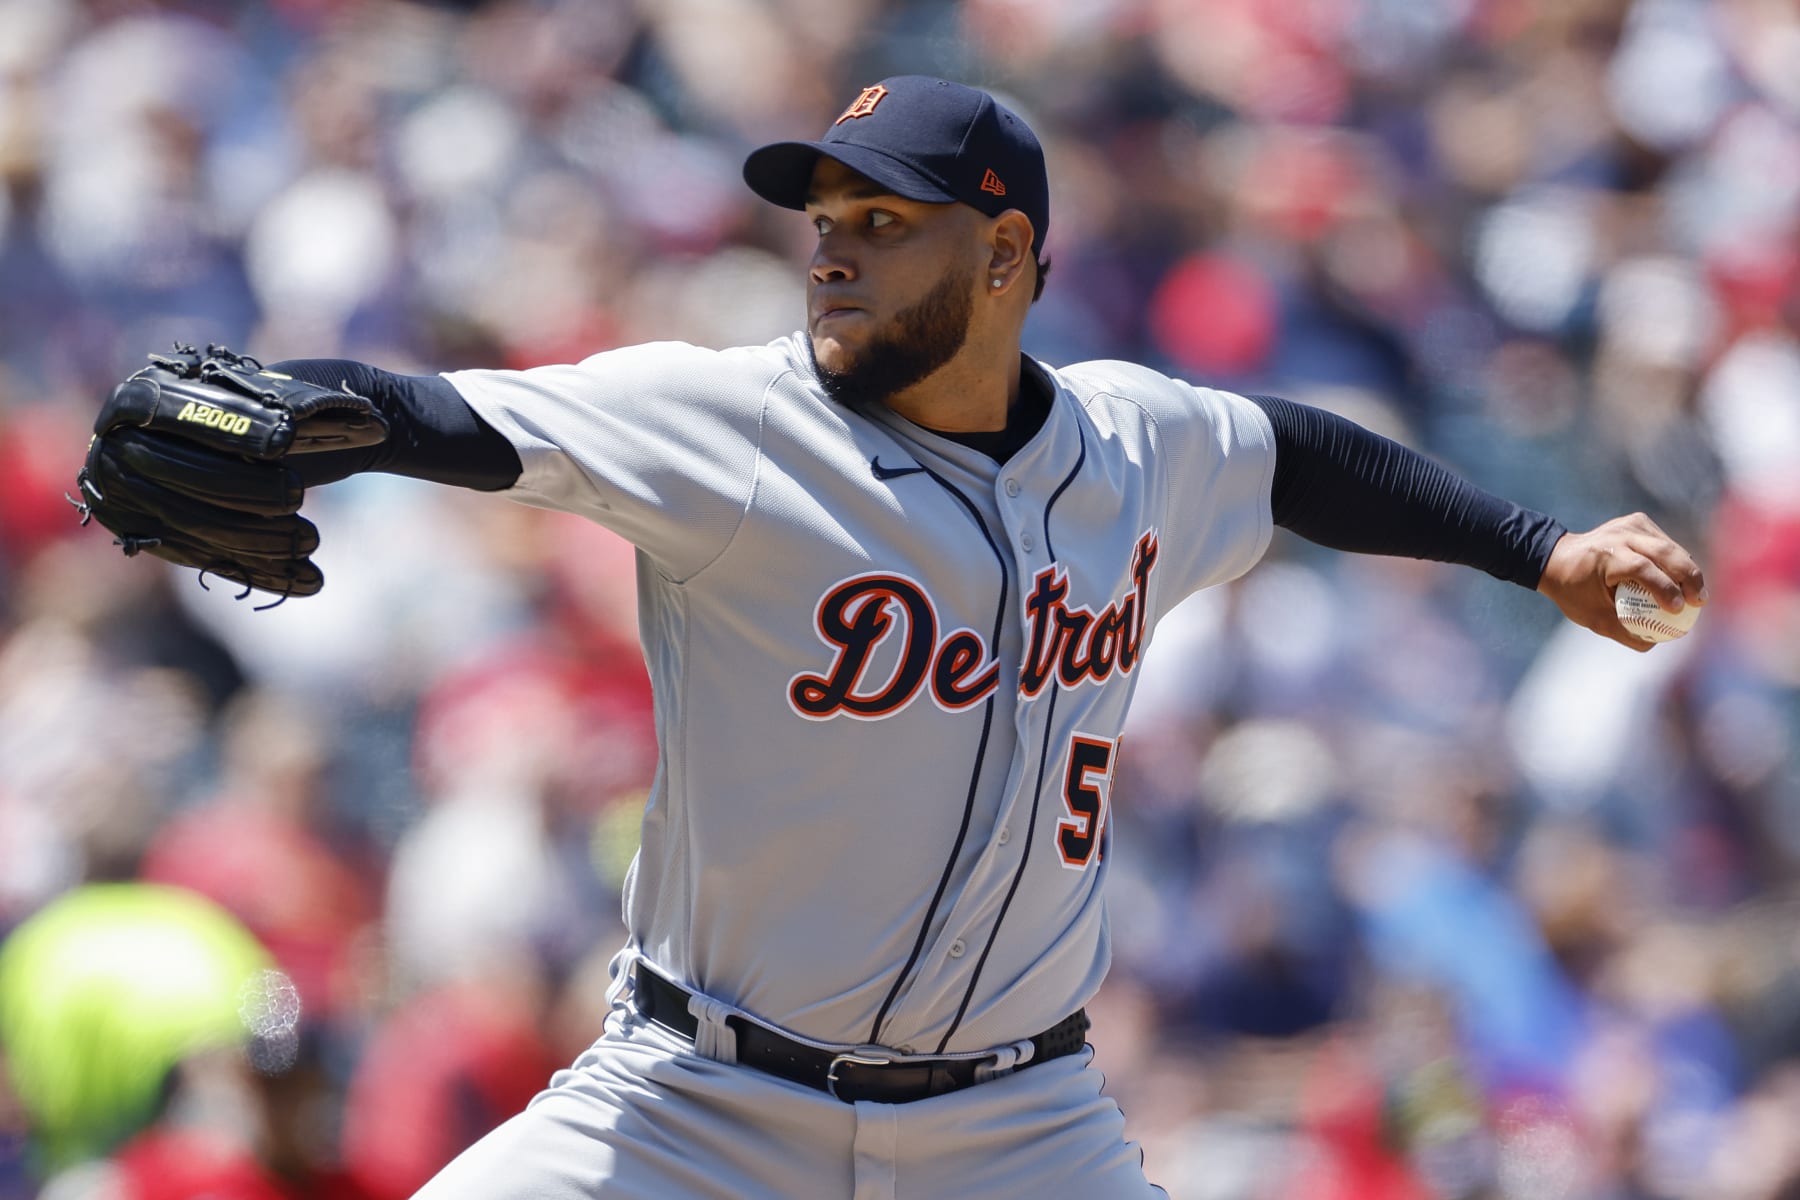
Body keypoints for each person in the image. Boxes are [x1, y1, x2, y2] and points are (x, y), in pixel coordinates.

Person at [82, 76, 1706, 1198]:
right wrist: (316, 410)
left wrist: (1538, 544)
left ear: (1006, 257)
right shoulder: (727, 421)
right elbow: (456, 416)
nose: (835, 245)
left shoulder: (1139, 447)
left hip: (1019, 1125)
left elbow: (1308, 456)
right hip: (697, 1106)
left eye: (888, 218)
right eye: (828, 213)